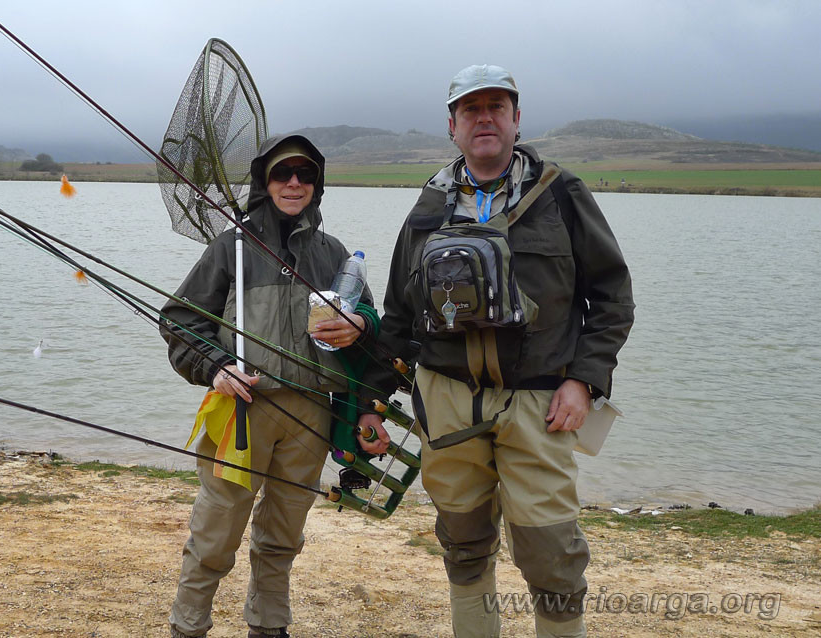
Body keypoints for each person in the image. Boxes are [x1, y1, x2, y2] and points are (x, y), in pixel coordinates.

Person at [358, 65, 634, 638]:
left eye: (497, 107)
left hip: (540, 403)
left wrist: (585, 380)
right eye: (471, 109)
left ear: (516, 119)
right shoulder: (428, 205)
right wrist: (371, 400)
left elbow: (612, 297)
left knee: (551, 551)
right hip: (446, 401)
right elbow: (398, 314)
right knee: (462, 544)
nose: (485, 118)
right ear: (452, 126)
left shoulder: (562, 193)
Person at [161, 134, 377, 638]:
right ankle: (188, 626)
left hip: (311, 417)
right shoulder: (230, 246)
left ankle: (269, 625)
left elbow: (370, 327)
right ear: (266, 181)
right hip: (240, 411)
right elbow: (177, 320)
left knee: (283, 535)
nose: (295, 183)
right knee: (216, 532)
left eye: (305, 174)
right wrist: (216, 367)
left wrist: (360, 325)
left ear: (317, 184)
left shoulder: (335, 253)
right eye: (284, 174)